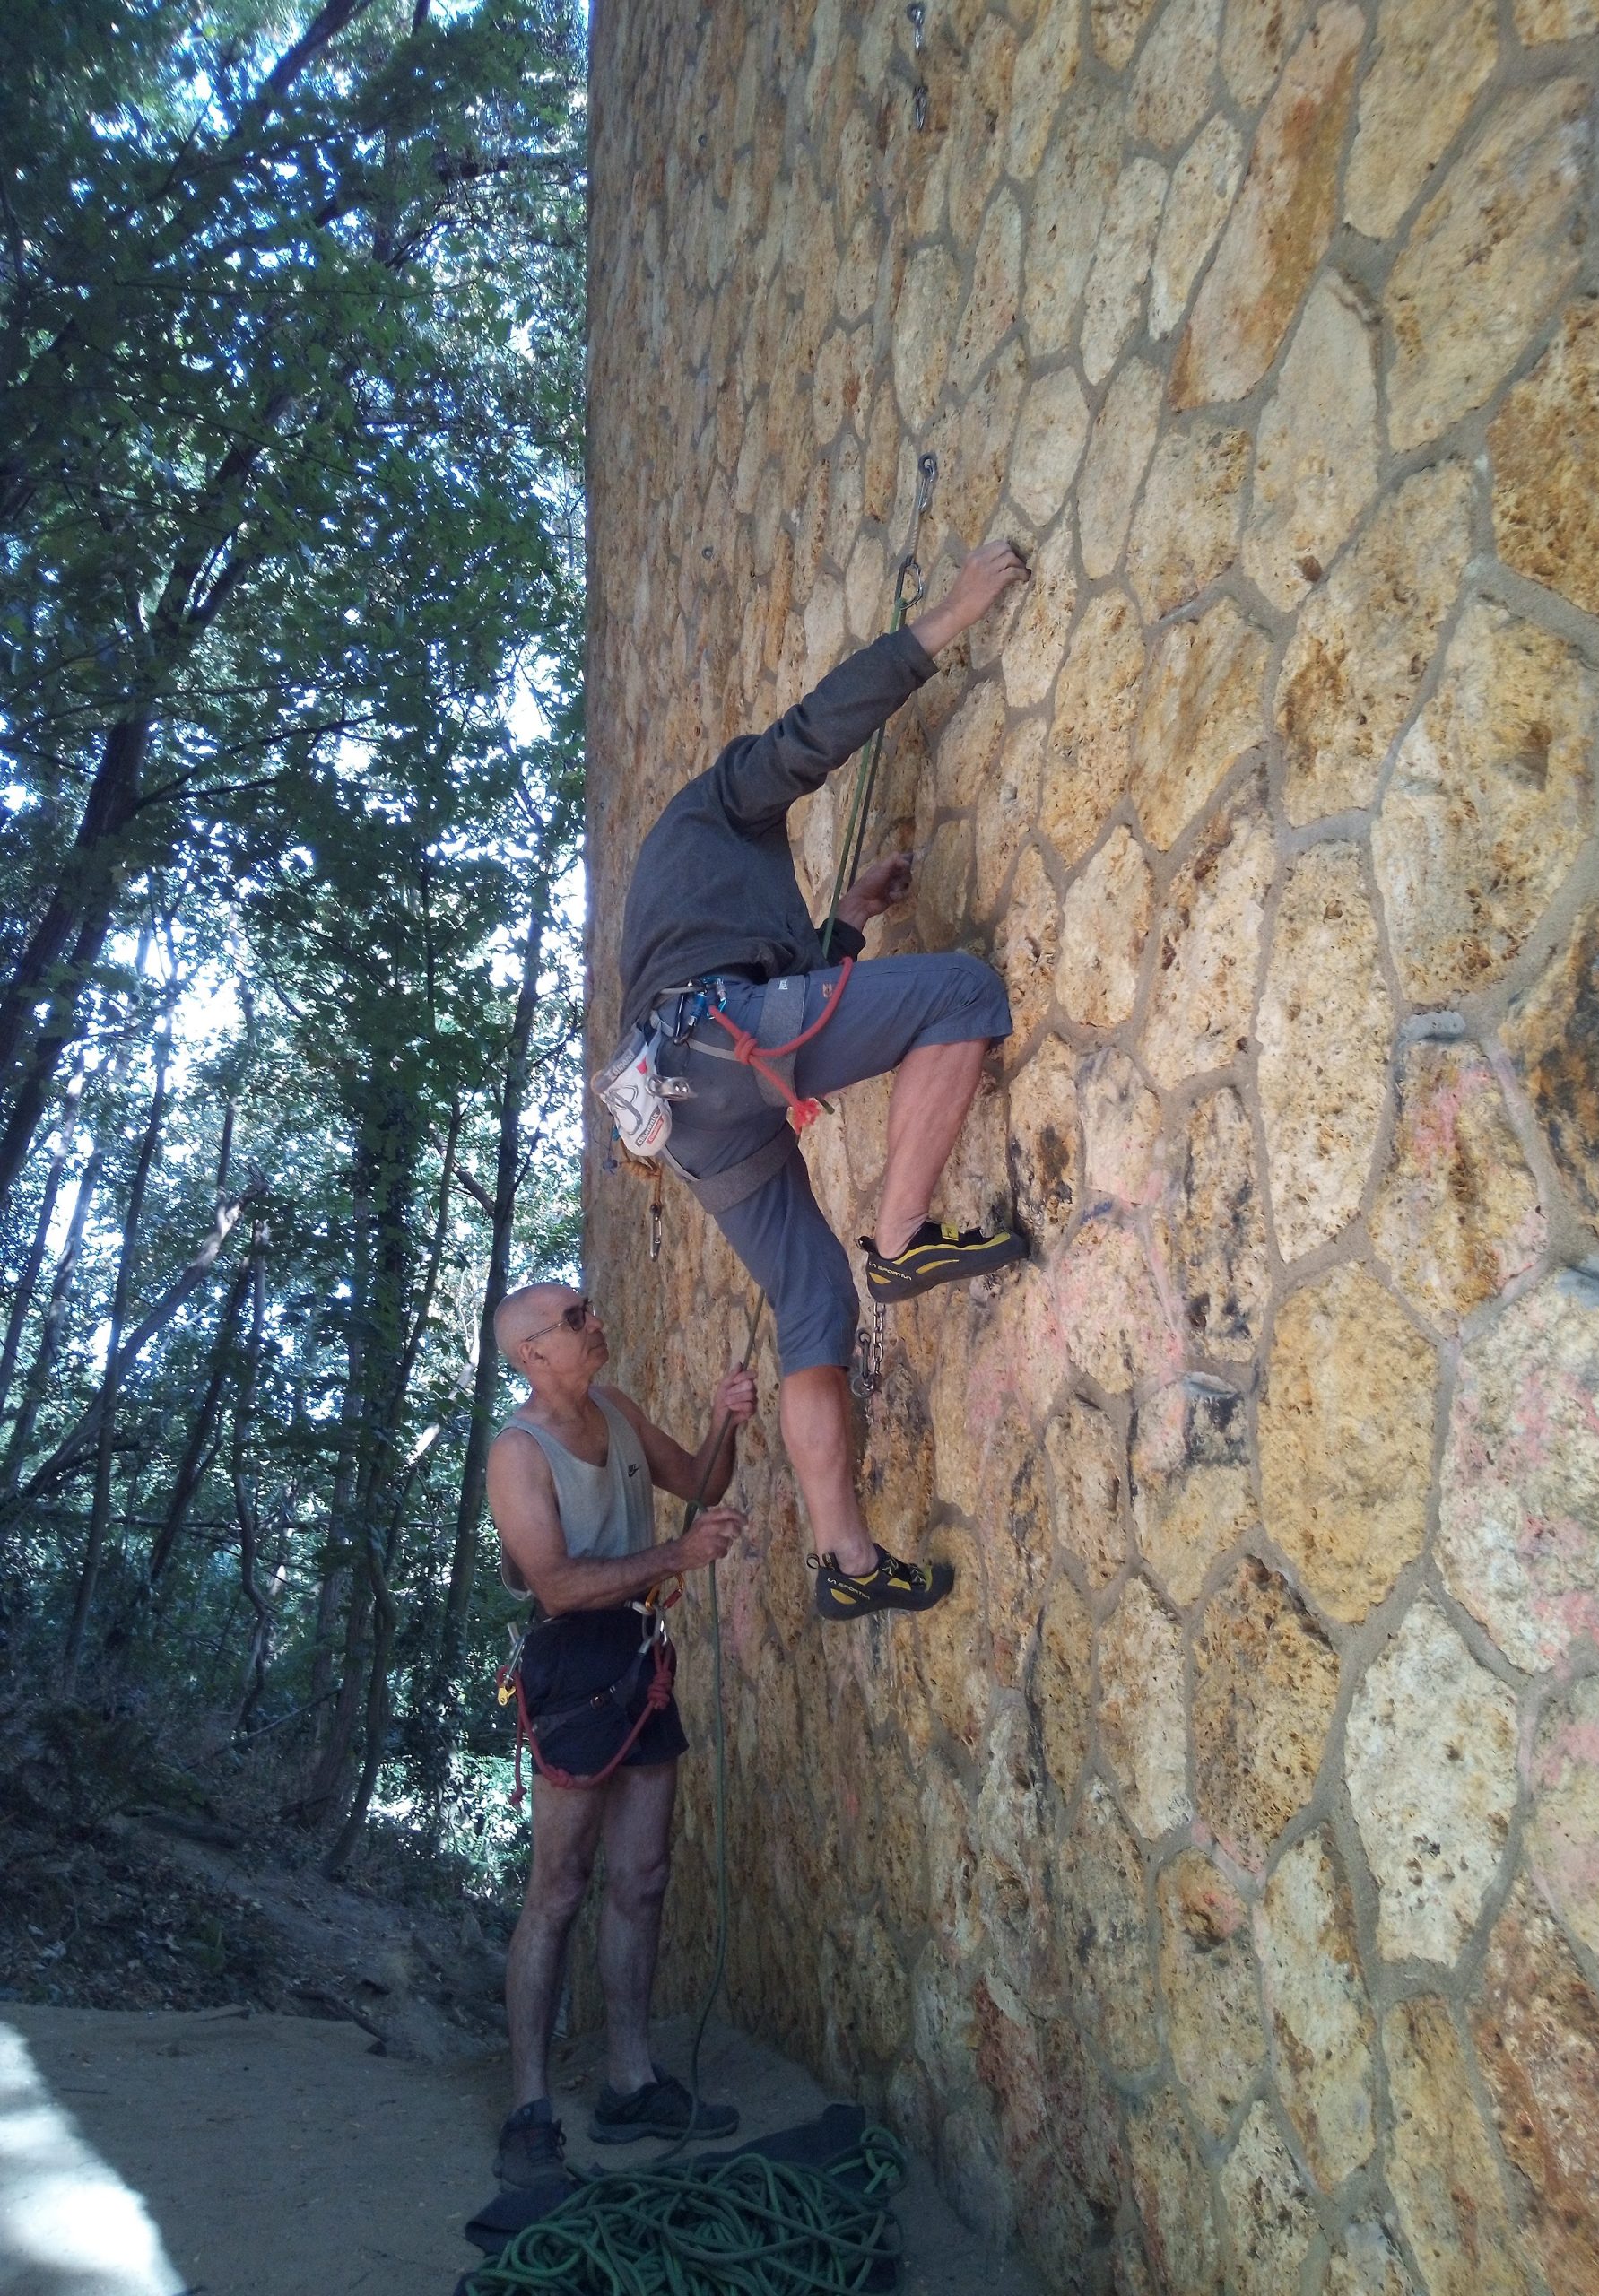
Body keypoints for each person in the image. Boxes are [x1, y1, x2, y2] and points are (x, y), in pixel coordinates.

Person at [615, 538, 1032, 1626]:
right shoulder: (715, 804)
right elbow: (809, 737)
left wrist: (844, 917)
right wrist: (949, 616)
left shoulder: (676, 895)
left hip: (687, 1108)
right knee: (962, 993)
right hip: (717, 1045)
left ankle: (847, 1559)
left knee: (812, 1309)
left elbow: (779, 992)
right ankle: (901, 1240)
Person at [485, 1277, 754, 2183]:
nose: (594, 1322)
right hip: (572, 1666)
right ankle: (529, 2107)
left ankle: (631, 2083)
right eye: (575, 1319)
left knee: (642, 1876)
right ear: (533, 1352)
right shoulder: (517, 1454)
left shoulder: (619, 1409)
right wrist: (677, 1553)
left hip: (639, 1654)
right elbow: (557, 1585)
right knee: (558, 1888)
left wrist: (725, 1420)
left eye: (589, 1308)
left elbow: (703, 1480)